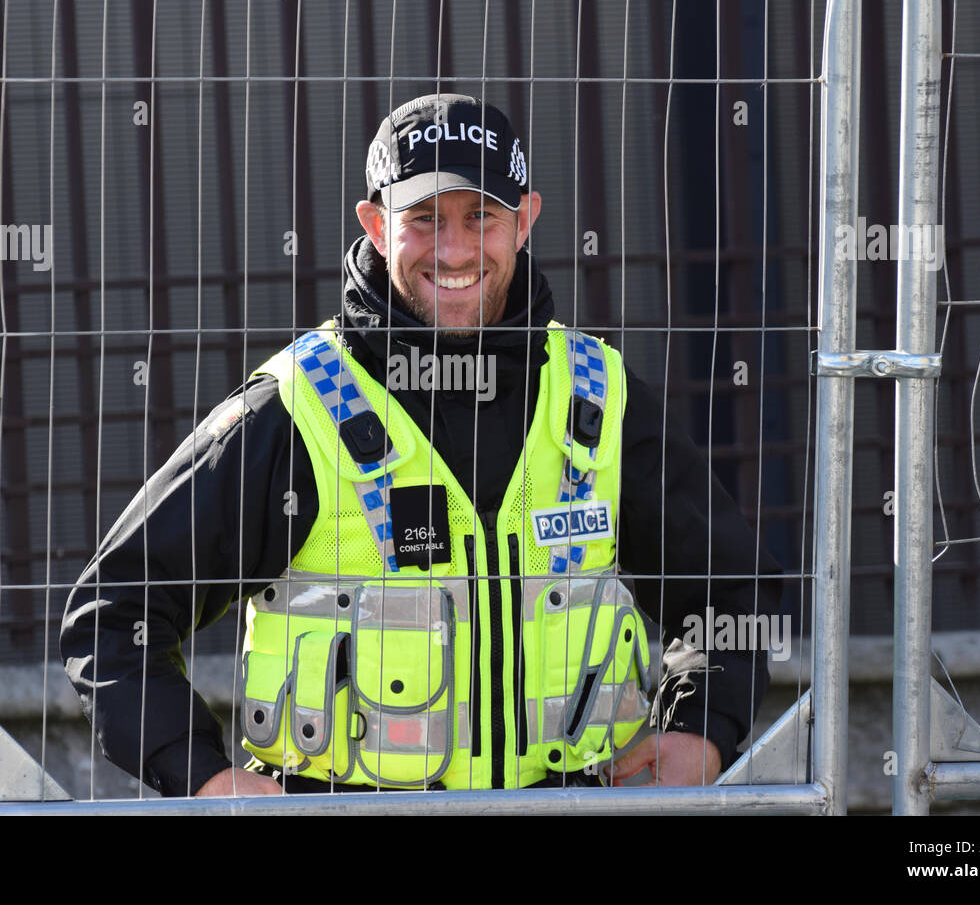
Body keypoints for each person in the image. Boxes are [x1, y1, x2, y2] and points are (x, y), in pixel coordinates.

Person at [60, 93, 782, 798]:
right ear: (376, 225)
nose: (456, 248)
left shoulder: (597, 393)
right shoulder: (298, 407)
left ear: (525, 221)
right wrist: (206, 778)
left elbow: (736, 595)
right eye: (425, 219)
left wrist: (702, 728)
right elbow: (113, 615)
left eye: (482, 217)